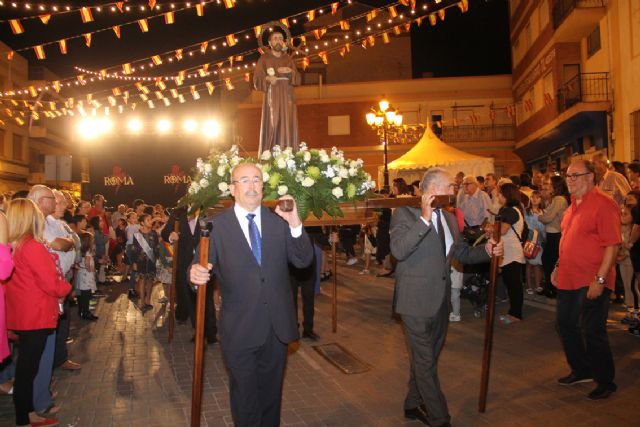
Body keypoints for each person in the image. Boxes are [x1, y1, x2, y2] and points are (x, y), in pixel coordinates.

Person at [190, 163, 313, 427]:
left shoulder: (278, 222)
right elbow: (198, 266)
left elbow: (303, 261)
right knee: (245, 400)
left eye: (256, 180)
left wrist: (295, 223)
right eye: (244, 180)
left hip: (276, 328)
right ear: (232, 189)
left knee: (271, 399)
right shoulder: (214, 227)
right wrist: (194, 274)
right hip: (239, 329)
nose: (251, 185)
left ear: (263, 186)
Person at [390, 167, 503, 427]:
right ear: (434, 189)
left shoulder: (451, 218)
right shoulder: (405, 214)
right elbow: (398, 250)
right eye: (451, 187)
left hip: (440, 301)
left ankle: (411, 404)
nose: (455, 191)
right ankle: (440, 418)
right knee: (426, 362)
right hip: (415, 302)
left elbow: (461, 253)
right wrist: (425, 219)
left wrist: (486, 250)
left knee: (425, 358)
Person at [553, 159, 620, 400]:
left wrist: (600, 279)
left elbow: (612, 245)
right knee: (565, 324)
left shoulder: (604, 204)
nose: (569, 180)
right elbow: (567, 242)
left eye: (575, 175)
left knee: (593, 330)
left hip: (592, 277)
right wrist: (558, 266)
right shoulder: (571, 208)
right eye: (567, 176)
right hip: (568, 278)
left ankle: (605, 381)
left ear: (590, 176)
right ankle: (581, 370)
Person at [5, 198, 71, 427]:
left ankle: (27, 412)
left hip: (23, 313)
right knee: (27, 369)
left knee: (25, 366)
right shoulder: (31, 246)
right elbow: (50, 281)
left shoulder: (14, 245)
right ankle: (24, 417)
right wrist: (66, 288)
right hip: (36, 314)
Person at [162, 206, 217, 343]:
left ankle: (210, 333)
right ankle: (198, 331)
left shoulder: (209, 210)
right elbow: (165, 232)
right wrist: (171, 236)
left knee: (207, 297)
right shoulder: (178, 212)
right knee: (191, 298)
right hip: (184, 262)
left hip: (205, 260)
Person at [253, 29, 300, 153]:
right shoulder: (264, 59)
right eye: (275, 38)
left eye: (280, 38)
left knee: (288, 122)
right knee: (273, 122)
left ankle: (288, 152)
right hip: (272, 95)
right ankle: (270, 152)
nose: (278, 41)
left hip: (287, 95)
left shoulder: (288, 59)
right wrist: (267, 78)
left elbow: (298, 78)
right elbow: (257, 79)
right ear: (269, 42)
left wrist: (290, 72)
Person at [496, 183, 526, 324]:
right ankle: (513, 312)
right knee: (511, 283)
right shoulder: (508, 209)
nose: (498, 197)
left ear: (507, 195)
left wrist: (490, 228)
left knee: (514, 285)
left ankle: (516, 314)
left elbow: (502, 230)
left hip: (512, 252)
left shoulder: (511, 211)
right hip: (508, 251)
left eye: (500, 194)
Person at [538, 175, 570, 298]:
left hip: (556, 234)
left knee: (550, 262)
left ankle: (553, 288)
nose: (546, 187)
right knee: (548, 261)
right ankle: (550, 287)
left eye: (549, 185)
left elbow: (547, 217)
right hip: (552, 234)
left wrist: (539, 217)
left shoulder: (559, 199)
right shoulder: (554, 199)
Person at [131, 213, 159, 313]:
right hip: (141, 261)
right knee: (142, 280)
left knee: (151, 280)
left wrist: (158, 259)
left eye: (151, 219)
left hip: (152, 260)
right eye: (148, 220)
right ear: (142, 223)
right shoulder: (137, 235)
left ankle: (148, 299)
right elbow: (134, 249)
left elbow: (157, 247)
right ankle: (142, 301)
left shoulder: (154, 233)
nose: (150, 221)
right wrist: (134, 262)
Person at [524, 190, 546, 294]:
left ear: (541, 199)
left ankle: (538, 284)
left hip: (540, 240)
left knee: (538, 263)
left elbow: (544, 227)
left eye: (537, 197)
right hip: (529, 240)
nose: (534, 199)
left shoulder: (544, 212)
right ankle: (528, 285)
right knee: (529, 263)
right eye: (532, 197)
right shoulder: (526, 211)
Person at [75, 231, 99, 321]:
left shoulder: (81, 250)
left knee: (82, 295)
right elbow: (87, 261)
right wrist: (90, 269)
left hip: (81, 274)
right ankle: (85, 312)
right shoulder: (88, 251)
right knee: (86, 294)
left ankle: (81, 311)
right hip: (86, 274)